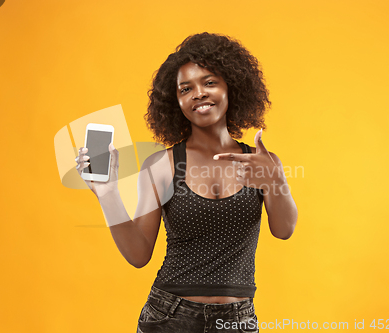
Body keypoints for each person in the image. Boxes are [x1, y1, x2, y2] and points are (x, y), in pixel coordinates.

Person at [76, 32, 298, 333]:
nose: (198, 94)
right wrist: (107, 192)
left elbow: (283, 231)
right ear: (176, 101)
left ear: (230, 87)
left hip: (237, 320)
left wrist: (276, 181)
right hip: (169, 317)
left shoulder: (261, 161)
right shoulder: (161, 165)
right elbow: (139, 255)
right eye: (186, 88)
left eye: (209, 82)